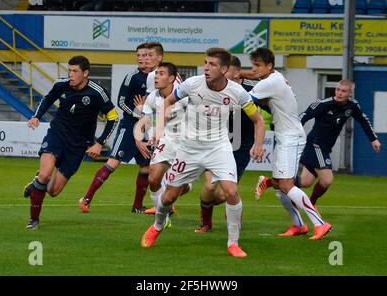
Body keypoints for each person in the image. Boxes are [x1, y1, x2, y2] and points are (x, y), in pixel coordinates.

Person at [140, 48, 265, 258]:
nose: (206, 68)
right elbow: (169, 101)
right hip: (189, 148)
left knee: (231, 192)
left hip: (219, 147)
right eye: (205, 63)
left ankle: (233, 243)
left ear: (224, 69)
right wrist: (160, 127)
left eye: (212, 64)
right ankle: (157, 225)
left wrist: (259, 144)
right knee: (169, 195)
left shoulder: (237, 92)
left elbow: (258, 120)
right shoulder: (192, 84)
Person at [23, 55, 118, 229]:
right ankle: (34, 220)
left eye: (75, 71)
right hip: (57, 135)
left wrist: (99, 142)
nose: (71, 75)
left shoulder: (97, 92)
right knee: (45, 174)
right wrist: (36, 116)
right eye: (70, 71)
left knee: (53, 191)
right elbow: (47, 99)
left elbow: (113, 117)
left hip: (78, 145)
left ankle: (36, 184)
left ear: (86, 73)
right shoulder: (61, 85)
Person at [256, 79, 381, 207]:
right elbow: (302, 117)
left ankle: (268, 182)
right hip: (315, 145)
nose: (339, 93)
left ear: (350, 93)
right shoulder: (323, 104)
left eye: (344, 91)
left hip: (325, 148)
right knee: (327, 180)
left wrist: (373, 139)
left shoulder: (352, 106)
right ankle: (312, 204)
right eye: (338, 89)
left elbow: (363, 120)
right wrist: (290, 133)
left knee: (305, 182)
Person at [249, 47, 332, 240]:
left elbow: (243, 99)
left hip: (291, 138)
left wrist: (227, 82)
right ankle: (298, 225)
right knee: (280, 187)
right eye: (252, 65)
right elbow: (250, 81)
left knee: (286, 185)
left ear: (269, 66)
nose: (253, 69)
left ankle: (320, 224)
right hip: (284, 135)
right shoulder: (275, 76)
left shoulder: (269, 82)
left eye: (257, 66)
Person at [78, 43, 152, 213]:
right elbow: (121, 102)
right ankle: (86, 199)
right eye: (139, 56)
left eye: (145, 55)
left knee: (146, 167)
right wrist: (138, 115)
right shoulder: (132, 77)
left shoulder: (155, 78)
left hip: (148, 128)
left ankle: (137, 206)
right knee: (113, 163)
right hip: (129, 126)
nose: (142, 59)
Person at [195, 55, 259, 233]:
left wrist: (259, 143)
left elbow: (263, 115)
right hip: (215, 144)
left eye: (225, 69)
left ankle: (229, 211)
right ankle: (206, 223)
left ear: (235, 72)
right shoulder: (211, 88)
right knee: (209, 186)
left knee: (223, 194)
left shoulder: (250, 91)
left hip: (241, 146)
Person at [135, 62, 189, 227]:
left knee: (178, 186)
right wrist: (139, 139)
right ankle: (163, 219)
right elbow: (145, 119)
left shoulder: (184, 97)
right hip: (165, 141)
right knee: (153, 178)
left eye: (161, 73)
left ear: (172, 78)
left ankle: (185, 186)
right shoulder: (153, 97)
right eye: (156, 73)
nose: (157, 76)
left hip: (184, 144)